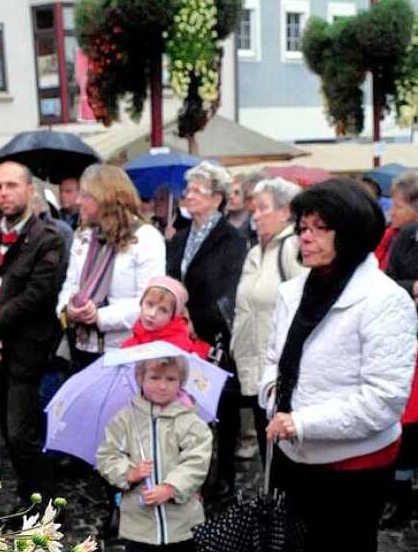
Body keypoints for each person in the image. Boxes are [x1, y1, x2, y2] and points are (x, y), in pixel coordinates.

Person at [260, 178, 417, 552]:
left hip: (353, 466)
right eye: (302, 228)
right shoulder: (293, 290)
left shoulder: (385, 301)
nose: (304, 238)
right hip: (295, 457)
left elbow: (383, 400)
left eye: (318, 230)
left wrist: (301, 422)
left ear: (348, 235)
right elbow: (274, 363)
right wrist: (272, 401)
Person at [97, 356, 213, 552]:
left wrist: (170, 488)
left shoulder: (189, 421)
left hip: (179, 521)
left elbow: (198, 459)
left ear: (181, 383)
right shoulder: (126, 419)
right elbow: (108, 455)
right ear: (140, 378)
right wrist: (130, 474)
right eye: (154, 378)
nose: (162, 386)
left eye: (171, 379)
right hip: (139, 520)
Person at [0, 161, 65, 507]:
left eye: (11, 185)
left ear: (29, 191)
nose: (4, 193)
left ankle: (45, 507)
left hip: (26, 350)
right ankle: (27, 497)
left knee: (23, 433)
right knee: (9, 435)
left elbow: (35, 298)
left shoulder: (47, 239)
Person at [167, 161, 248, 498]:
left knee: (222, 408)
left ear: (217, 198)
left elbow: (226, 288)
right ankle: (190, 471)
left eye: (198, 190)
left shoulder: (232, 239)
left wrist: (197, 317)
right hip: (180, 334)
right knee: (185, 405)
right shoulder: (179, 237)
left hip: (214, 335)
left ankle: (225, 473)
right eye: (188, 190)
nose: (190, 196)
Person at [57, 164, 166, 370]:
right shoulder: (83, 236)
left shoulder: (146, 238)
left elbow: (149, 303)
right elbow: (69, 285)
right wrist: (68, 309)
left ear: (105, 198)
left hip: (125, 351)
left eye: (86, 195)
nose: (79, 201)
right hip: (81, 347)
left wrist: (100, 316)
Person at [232, 177, 303, 464]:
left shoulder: (292, 248)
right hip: (253, 362)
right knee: (267, 447)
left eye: (263, 208)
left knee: (281, 450)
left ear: (286, 212)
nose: (255, 215)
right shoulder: (255, 251)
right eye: (254, 208)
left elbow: (302, 307)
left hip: (279, 368)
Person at [382, 173, 418, 527]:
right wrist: (414, 287)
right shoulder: (404, 239)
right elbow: (390, 282)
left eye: (399, 205)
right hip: (409, 340)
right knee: (408, 423)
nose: (393, 211)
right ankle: (401, 498)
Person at [119, 276, 210, 357]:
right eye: (150, 304)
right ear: (141, 302)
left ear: (172, 317)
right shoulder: (134, 338)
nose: (152, 314)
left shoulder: (176, 351)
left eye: (163, 310)